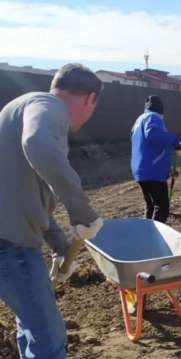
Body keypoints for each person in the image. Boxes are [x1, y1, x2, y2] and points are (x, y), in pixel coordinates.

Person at [0, 63, 105, 359]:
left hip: (12, 242)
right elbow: (37, 144)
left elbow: (28, 195)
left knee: (31, 326)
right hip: (10, 245)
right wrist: (82, 212)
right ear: (89, 99)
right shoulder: (48, 107)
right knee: (47, 337)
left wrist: (59, 246)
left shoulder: (23, 108)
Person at [130, 95, 181, 223]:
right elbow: (153, 135)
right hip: (152, 173)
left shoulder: (139, 121)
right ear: (161, 111)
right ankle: (154, 237)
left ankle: (146, 235)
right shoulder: (153, 117)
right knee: (162, 206)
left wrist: (167, 169)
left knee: (151, 205)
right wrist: (175, 142)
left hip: (141, 171)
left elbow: (147, 149)